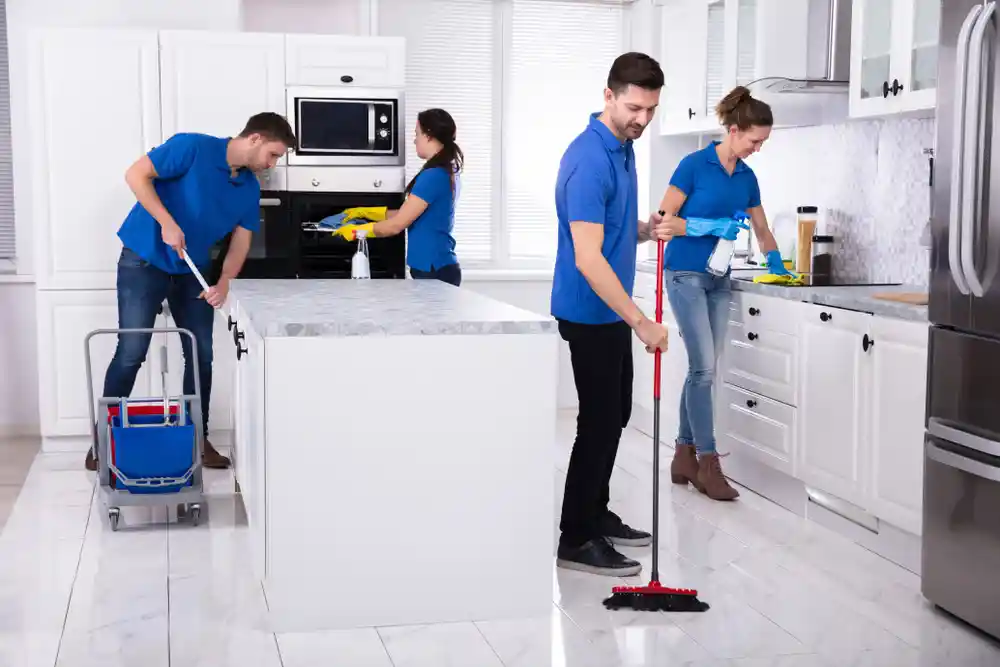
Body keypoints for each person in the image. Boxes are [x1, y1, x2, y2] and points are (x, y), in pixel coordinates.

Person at [86, 112, 297, 472]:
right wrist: (167, 224)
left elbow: (242, 239)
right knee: (132, 351)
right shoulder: (192, 147)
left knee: (201, 356)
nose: (272, 163)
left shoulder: (248, 187)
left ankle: (198, 441)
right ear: (256, 139)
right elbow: (135, 175)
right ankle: (101, 441)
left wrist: (224, 281)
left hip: (191, 271)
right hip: (144, 259)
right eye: (274, 154)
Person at [550, 52, 670, 577]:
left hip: (610, 312)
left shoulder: (622, 148)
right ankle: (576, 536)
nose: (642, 119)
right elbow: (587, 256)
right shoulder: (589, 158)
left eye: (651, 109)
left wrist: (647, 229)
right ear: (608, 96)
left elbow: (610, 229)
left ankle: (594, 512)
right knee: (598, 421)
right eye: (633, 107)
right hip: (589, 308)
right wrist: (641, 320)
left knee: (615, 413)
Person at [653, 85, 791, 501]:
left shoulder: (748, 178)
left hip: (718, 278)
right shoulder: (694, 165)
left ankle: (682, 453)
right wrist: (707, 227)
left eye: (763, 142)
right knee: (704, 370)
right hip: (685, 275)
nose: (757, 149)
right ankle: (708, 465)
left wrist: (777, 263)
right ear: (734, 130)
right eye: (754, 140)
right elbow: (663, 220)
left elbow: (762, 229)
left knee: (704, 367)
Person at [333, 108, 464, 287]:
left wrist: (357, 232)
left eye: (417, 134)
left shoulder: (434, 175)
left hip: (434, 268)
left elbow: (396, 226)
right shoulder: (444, 172)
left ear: (428, 135)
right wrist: (364, 212)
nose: (414, 139)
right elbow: (406, 214)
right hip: (436, 266)